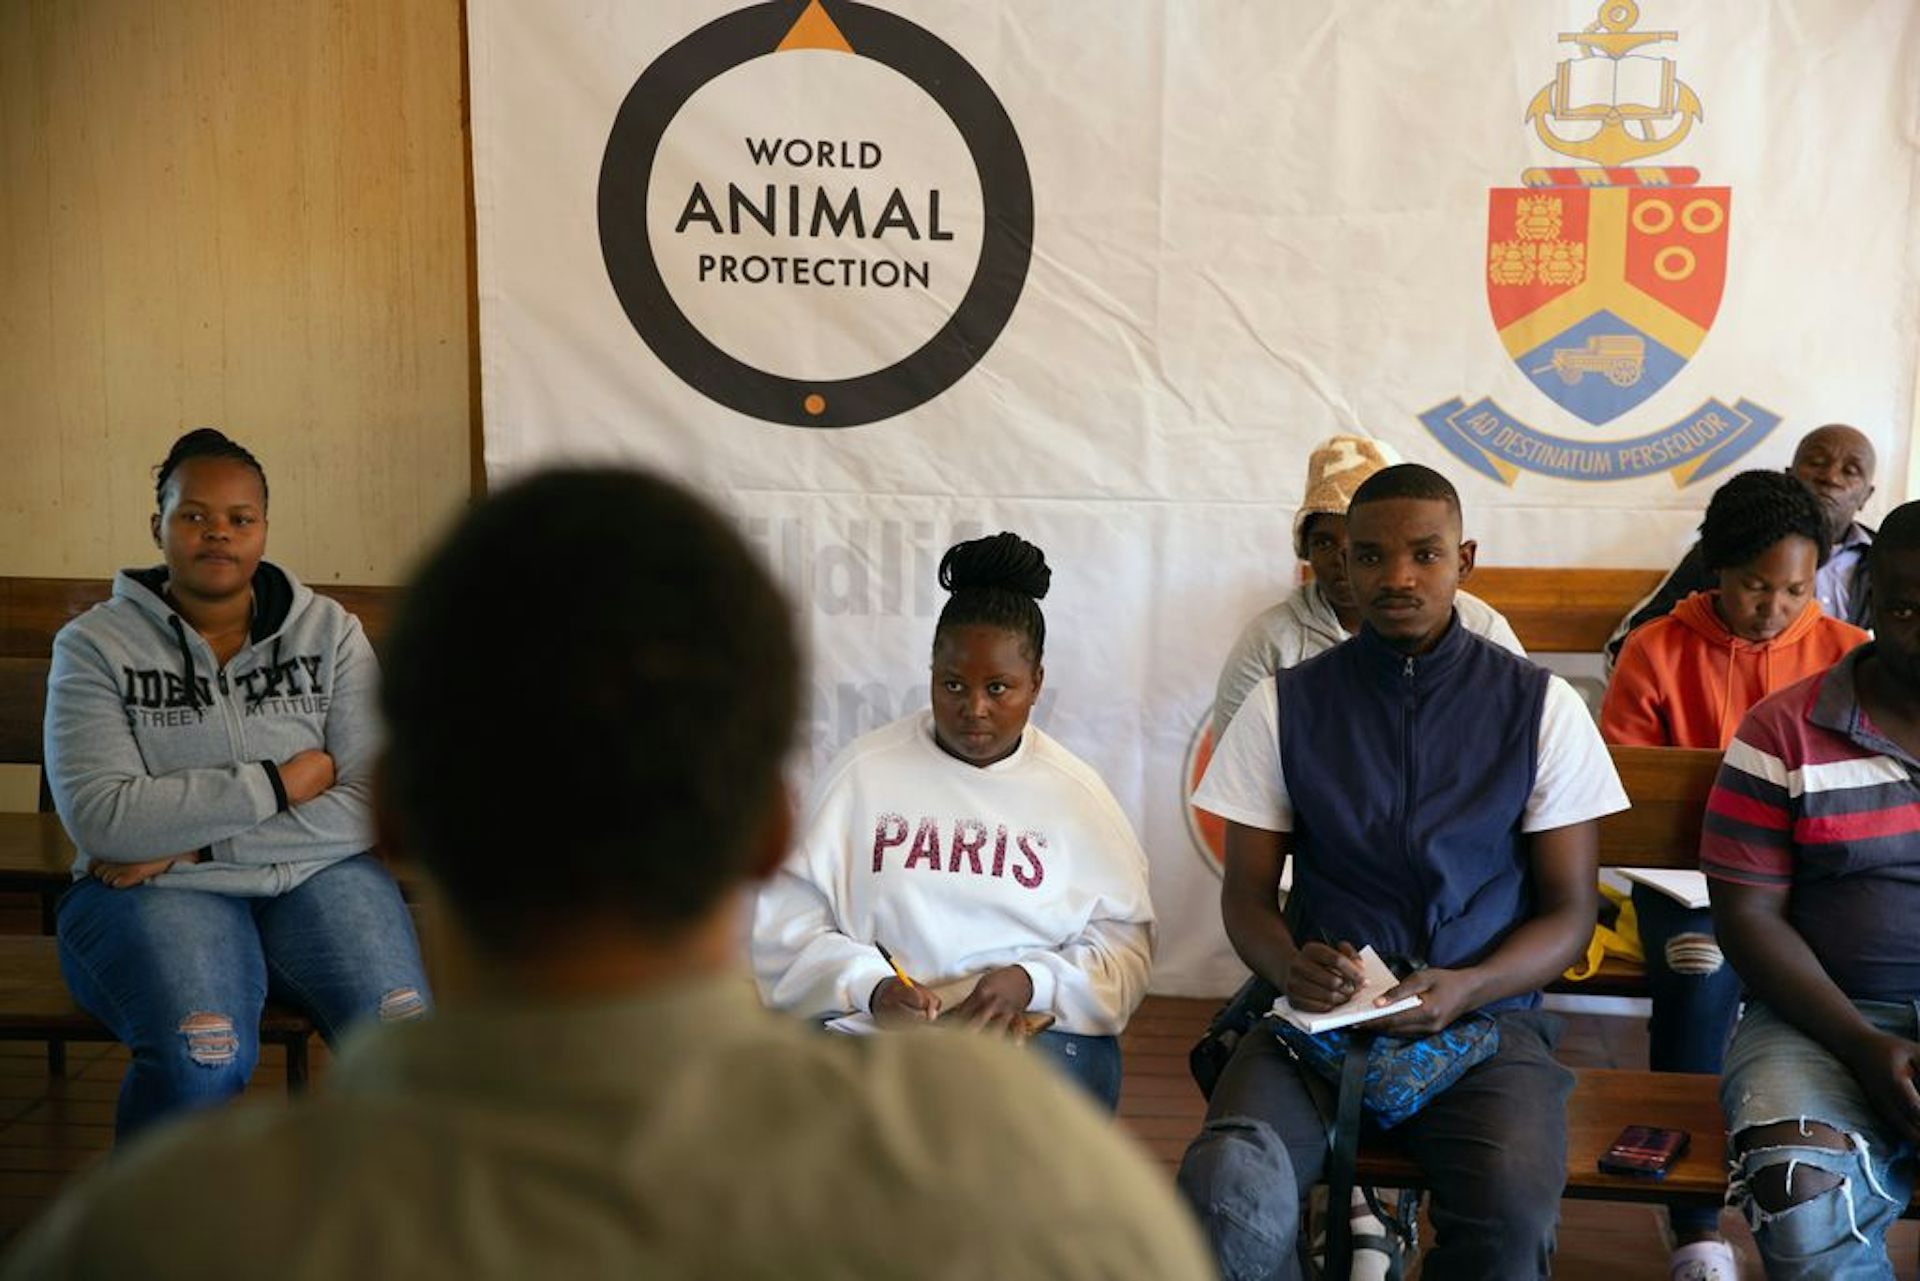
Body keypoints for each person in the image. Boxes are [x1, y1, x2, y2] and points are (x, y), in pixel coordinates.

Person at [5, 470, 1213, 1280]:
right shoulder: (1060, 1208)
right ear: (771, 828)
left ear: (402, 827)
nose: (975, 703)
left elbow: (1115, 947)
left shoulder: (168, 1233)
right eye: (957, 682)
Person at [1179, 463, 1628, 1280]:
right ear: (1338, 566)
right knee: (1226, 1187)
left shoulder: (1539, 705)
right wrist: (1288, 966)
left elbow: (1569, 911)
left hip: (1486, 1022)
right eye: (1371, 557)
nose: (1398, 577)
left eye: (1425, 553)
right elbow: (1245, 895)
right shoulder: (1286, 705)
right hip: (1317, 1024)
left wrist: (1470, 984)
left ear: (1467, 560)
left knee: (1511, 1213)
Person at [43, 429, 428, 1141]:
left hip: (307, 877)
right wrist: (282, 782)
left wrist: (194, 847)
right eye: (193, 515)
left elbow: (373, 800)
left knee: (409, 1054)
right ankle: (145, 1245)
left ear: (263, 530)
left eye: (239, 518)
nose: (217, 531)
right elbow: (106, 820)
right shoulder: (94, 646)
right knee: (203, 1058)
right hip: (152, 895)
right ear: (156, 524)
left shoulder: (330, 632)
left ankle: (389, 1243)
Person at [753, 531, 1154, 1111]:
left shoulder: (1077, 796)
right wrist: (873, 987)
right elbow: (784, 931)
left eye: (999, 688)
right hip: (877, 1029)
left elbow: (1126, 952)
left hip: (1030, 1038)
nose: (975, 709)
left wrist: (1029, 982)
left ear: (1036, 683)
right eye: (953, 685)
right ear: (931, 671)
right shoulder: (862, 775)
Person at [1601, 467, 1869, 1280]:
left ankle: (1835, 1174)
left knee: (1858, 969)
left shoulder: (1848, 653)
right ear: (1716, 566)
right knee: (1699, 963)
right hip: (1691, 883)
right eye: (1756, 586)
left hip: (1818, 884)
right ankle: (1694, 1224)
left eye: (1795, 589)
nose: (1776, 607)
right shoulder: (1657, 649)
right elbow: (1626, 787)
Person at [1702, 499, 1920, 1278]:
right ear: (1864, 604)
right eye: (1903, 605)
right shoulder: (1781, 731)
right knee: (1796, 1188)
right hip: (1824, 1016)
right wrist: (1863, 1045)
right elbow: (1747, 915)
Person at [1211, 434, 1524, 742]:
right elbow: (1238, 765)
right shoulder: (1271, 641)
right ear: (1304, 549)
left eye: (1369, 548)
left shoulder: (1481, 627)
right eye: (1323, 542)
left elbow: (1517, 737)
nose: (1339, 559)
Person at [1607, 423, 1877, 665]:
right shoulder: (1733, 546)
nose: (1830, 478)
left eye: (1850, 471)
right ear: (1789, 475)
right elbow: (1628, 644)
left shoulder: (1884, 559)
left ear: (1866, 495)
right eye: (1817, 462)